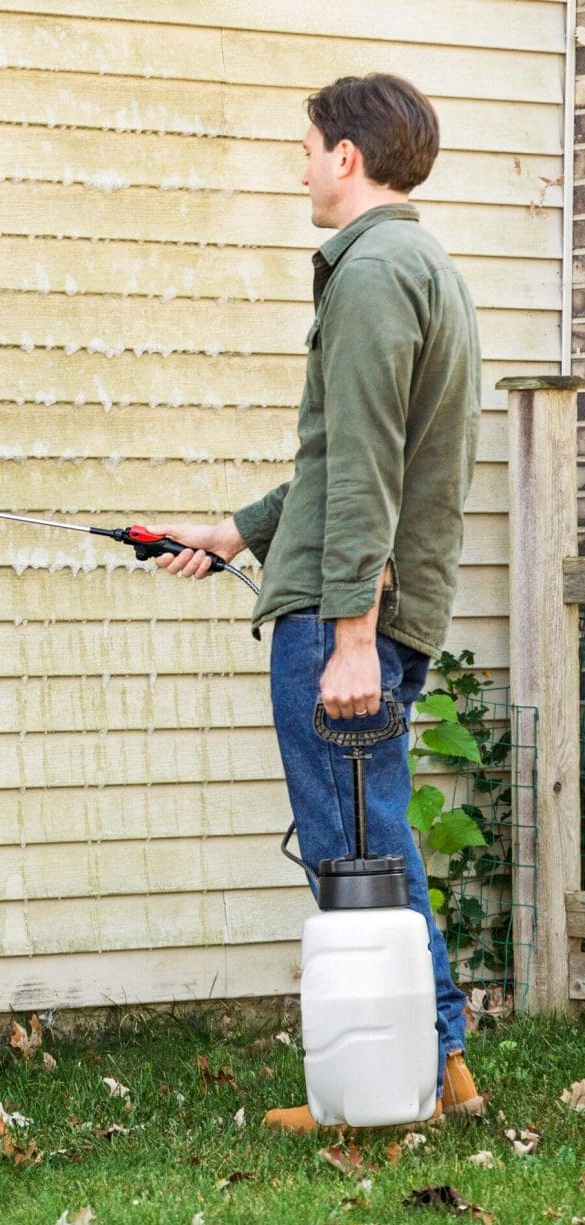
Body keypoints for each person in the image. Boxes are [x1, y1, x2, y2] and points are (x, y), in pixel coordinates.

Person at [149, 74, 484, 1130]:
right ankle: (437, 1068)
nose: (297, 166)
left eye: (305, 148)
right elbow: (342, 456)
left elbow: (367, 472)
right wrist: (238, 531)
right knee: (367, 836)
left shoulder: (373, 271)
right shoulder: (415, 264)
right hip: (362, 604)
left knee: (355, 855)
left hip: (354, 622)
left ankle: (404, 1085)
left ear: (348, 157)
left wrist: (348, 636)